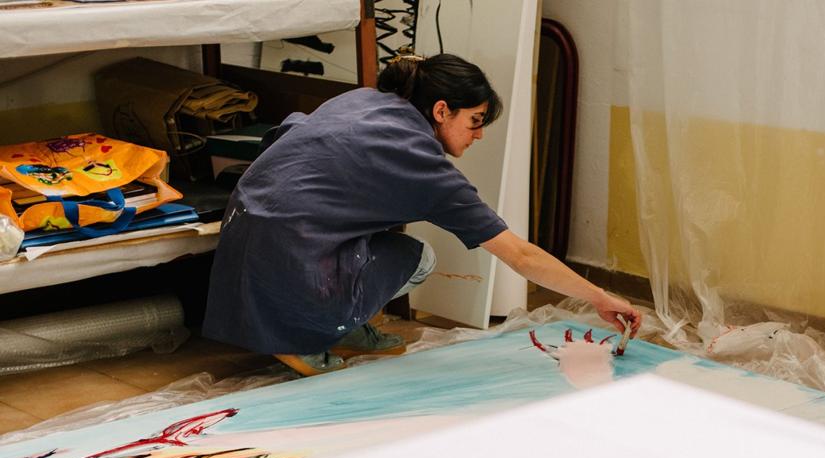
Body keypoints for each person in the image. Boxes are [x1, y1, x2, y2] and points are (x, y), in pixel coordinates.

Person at [202, 53, 642, 376]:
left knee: (380, 231)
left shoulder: (364, 101)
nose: (480, 135)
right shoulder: (422, 163)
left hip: (240, 235)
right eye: (475, 120)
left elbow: (287, 134)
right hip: (288, 266)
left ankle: (335, 323)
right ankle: (308, 339)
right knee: (421, 257)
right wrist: (601, 297)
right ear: (441, 110)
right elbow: (520, 257)